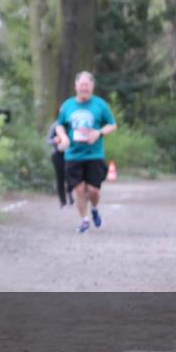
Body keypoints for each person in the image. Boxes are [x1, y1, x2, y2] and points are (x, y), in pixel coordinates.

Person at [54, 72, 118, 233]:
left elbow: (112, 125)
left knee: (93, 190)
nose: (84, 88)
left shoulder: (100, 105)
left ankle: (94, 209)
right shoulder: (68, 106)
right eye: (81, 85)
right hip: (73, 155)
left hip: (94, 155)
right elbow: (59, 125)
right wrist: (63, 137)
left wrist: (99, 133)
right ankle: (84, 220)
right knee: (79, 189)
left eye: (87, 85)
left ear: (92, 87)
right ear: (76, 86)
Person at [47, 122, 73, 208]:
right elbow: (48, 140)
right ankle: (63, 201)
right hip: (58, 154)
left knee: (70, 176)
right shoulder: (55, 126)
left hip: (71, 155)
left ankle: (70, 193)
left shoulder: (72, 125)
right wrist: (55, 140)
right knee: (60, 178)